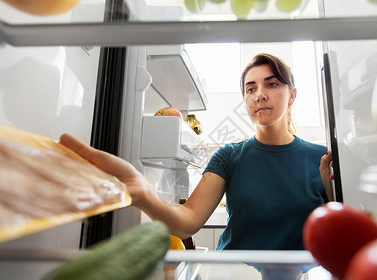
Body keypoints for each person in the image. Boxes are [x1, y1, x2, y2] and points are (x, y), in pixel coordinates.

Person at [59, 53, 333, 251]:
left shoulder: (322, 159)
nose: (259, 94)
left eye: (271, 84)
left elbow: (342, 229)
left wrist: (332, 194)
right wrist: (142, 192)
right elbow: (187, 222)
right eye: (251, 88)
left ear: (292, 95)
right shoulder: (229, 157)